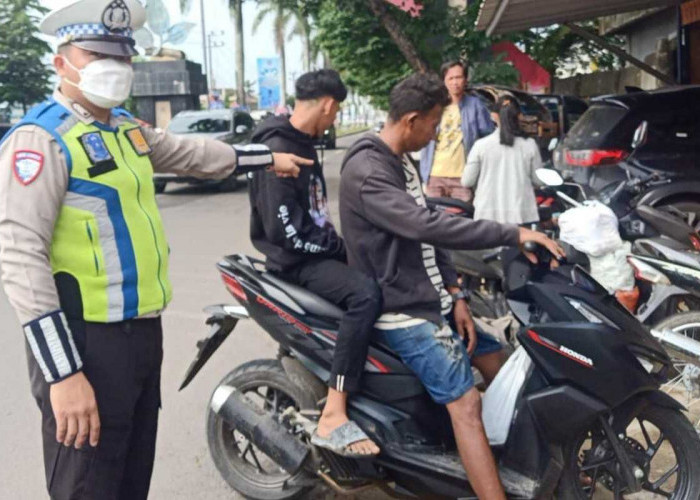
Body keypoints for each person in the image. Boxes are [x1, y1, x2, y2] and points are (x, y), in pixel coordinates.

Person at [0, 1, 312, 499]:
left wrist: (265, 157)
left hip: (140, 336)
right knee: (87, 484)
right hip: (85, 343)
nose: (115, 67)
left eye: (122, 56)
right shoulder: (41, 140)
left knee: (128, 476)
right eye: (98, 55)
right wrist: (64, 374)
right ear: (62, 63)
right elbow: (19, 257)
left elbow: (191, 153)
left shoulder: (123, 128)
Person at [339, 73, 564, 498]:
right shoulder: (369, 171)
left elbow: (426, 236)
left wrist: (457, 294)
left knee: (500, 363)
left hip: (435, 300)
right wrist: (511, 233)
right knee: (467, 405)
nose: (437, 135)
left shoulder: (401, 159)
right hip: (402, 310)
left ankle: (524, 464)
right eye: (434, 125)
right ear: (410, 120)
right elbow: (428, 224)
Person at [248, 70, 382, 457]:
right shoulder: (277, 145)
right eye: (336, 111)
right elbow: (284, 230)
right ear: (327, 104)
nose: (335, 119)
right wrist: (336, 248)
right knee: (364, 296)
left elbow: (315, 214)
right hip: (294, 262)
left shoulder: (304, 142)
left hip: (314, 251)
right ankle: (335, 411)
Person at [419, 60, 494, 202]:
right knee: (434, 222)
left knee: (462, 222)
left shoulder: (475, 105)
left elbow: (488, 137)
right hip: (434, 176)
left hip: (463, 177)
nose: (455, 82)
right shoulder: (434, 106)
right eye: (450, 78)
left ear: (465, 80)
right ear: (444, 81)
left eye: (458, 77)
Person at [462, 96, 544, 224]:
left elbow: (467, 181)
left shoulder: (480, 146)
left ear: (493, 116)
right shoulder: (530, 144)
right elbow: (538, 180)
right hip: (522, 215)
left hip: (487, 215)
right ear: (520, 116)